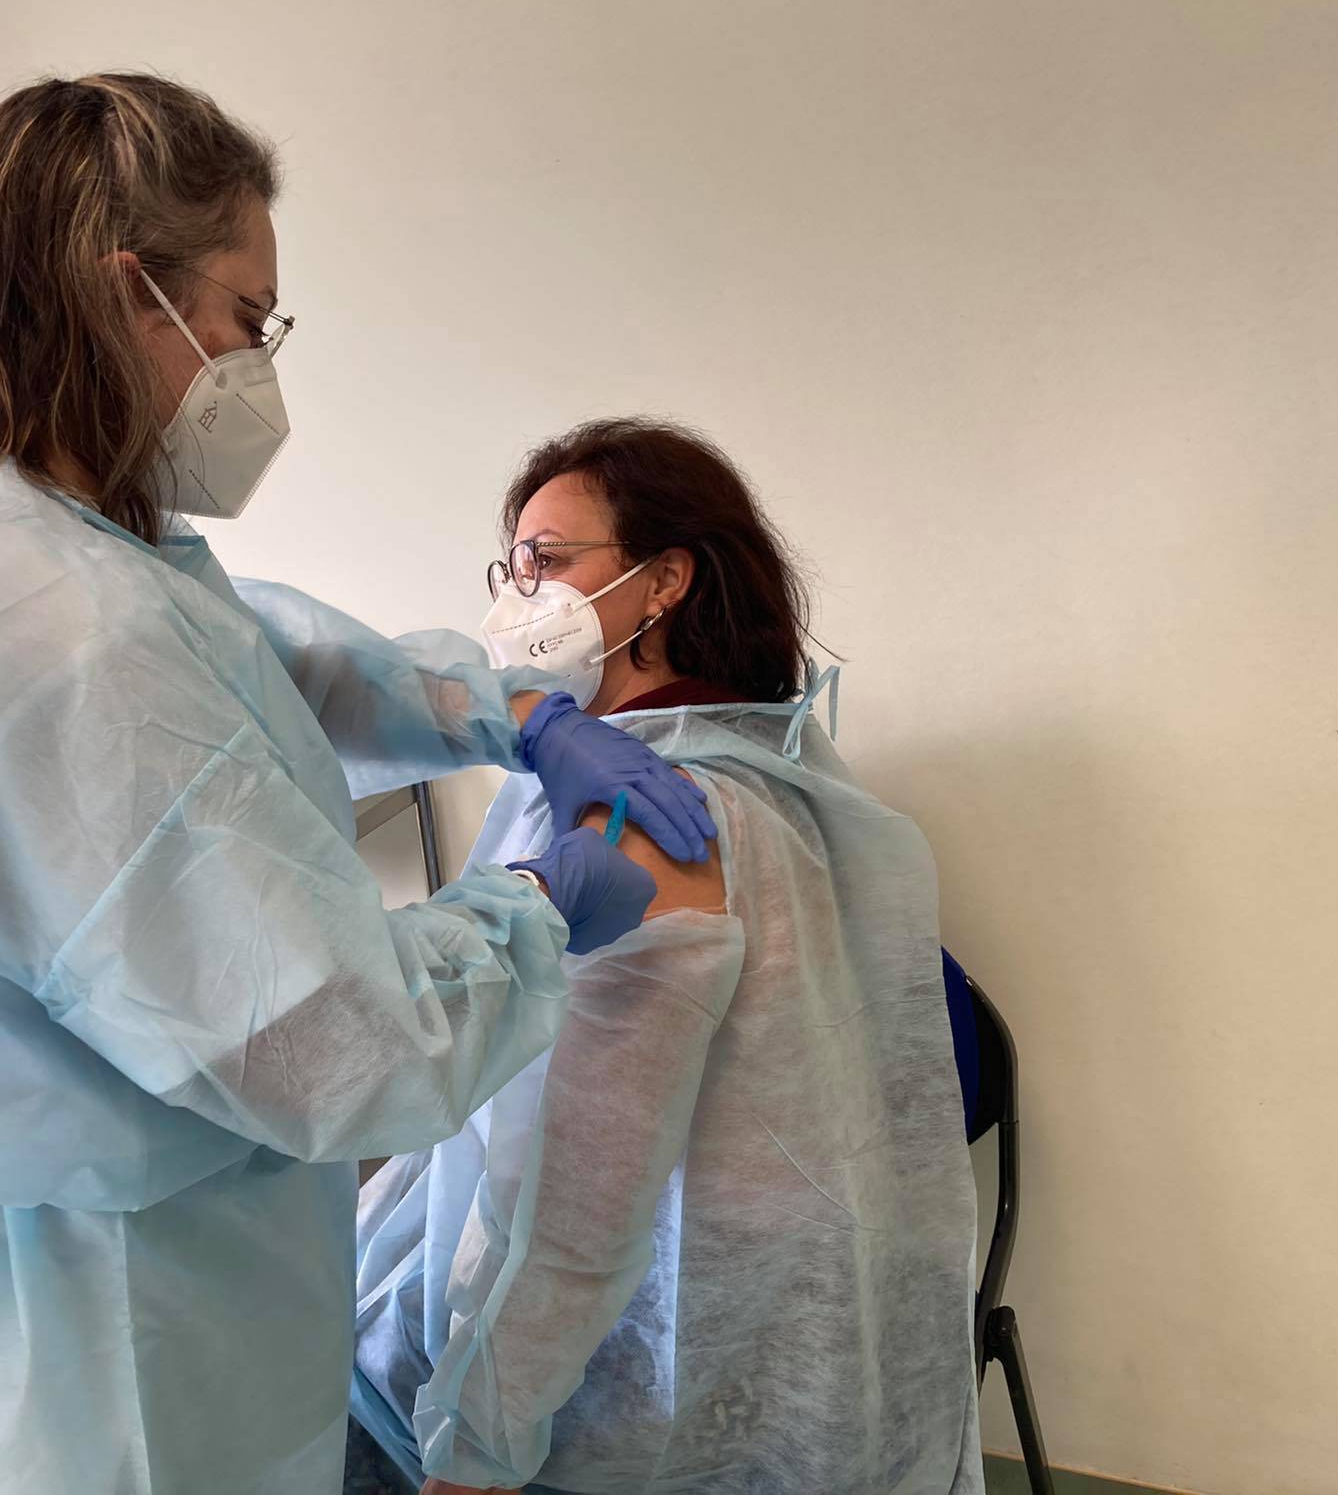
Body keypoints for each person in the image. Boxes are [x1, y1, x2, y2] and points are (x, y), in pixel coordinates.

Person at [0, 76, 717, 1493]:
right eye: (246, 317)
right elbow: (337, 1044)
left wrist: (502, 708)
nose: (253, 363)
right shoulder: (65, 627)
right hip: (93, 1351)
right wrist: (537, 907)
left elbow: (251, 657)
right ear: (124, 291)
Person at [348, 419, 982, 1495]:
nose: (515, 603)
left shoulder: (647, 813)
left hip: (651, 1340)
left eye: (547, 562)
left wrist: (480, 1447)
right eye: (511, 568)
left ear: (663, 582)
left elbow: (579, 1197)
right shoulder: (769, 768)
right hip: (779, 1308)